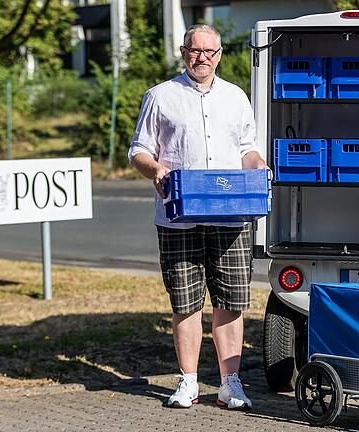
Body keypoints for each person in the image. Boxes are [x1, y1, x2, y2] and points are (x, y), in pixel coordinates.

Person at [128, 24, 267, 410]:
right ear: (183, 51)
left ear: (220, 54)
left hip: (231, 215)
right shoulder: (160, 96)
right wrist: (154, 170)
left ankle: (230, 384)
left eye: (209, 51)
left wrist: (259, 166)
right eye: (194, 50)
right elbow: (138, 150)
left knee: (231, 300)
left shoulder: (236, 97)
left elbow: (246, 148)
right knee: (185, 302)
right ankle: (188, 382)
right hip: (178, 216)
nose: (201, 57)